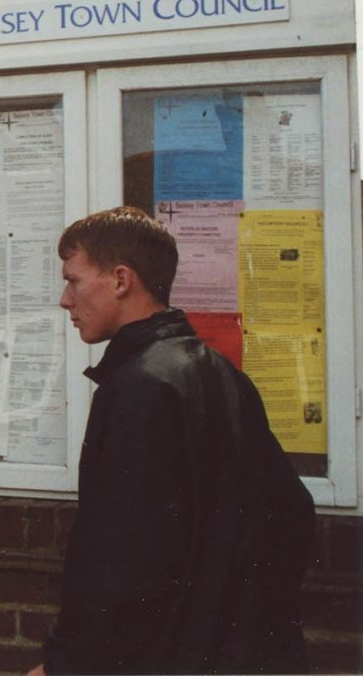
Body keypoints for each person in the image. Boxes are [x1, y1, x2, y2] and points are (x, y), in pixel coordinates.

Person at [33, 206, 314, 675]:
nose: (65, 299)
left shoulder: (139, 387)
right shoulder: (221, 373)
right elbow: (291, 513)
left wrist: (65, 664)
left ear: (121, 280)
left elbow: (118, 562)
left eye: (74, 280)